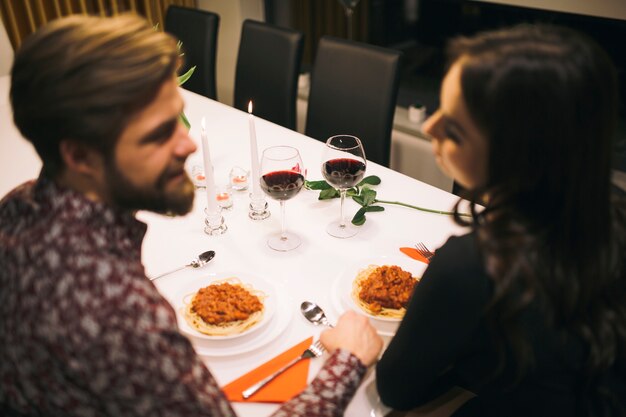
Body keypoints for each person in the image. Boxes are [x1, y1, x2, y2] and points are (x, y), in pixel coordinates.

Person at [0, 14, 382, 416]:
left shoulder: (18, 207)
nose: (187, 146)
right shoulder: (115, 315)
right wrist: (347, 362)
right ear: (77, 155)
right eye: (159, 133)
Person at [376, 24, 626, 416]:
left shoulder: (472, 266)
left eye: (454, 129)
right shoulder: (613, 209)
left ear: (518, 155)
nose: (429, 127)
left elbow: (395, 389)